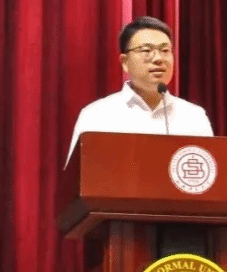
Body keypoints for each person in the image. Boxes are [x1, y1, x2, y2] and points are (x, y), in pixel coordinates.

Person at [66, 16, 213, 163]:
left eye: (165, 50)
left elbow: (209, 172)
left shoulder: (194, 116)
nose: (158, 58)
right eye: (146, 50)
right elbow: (80, 174)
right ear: (125, 62)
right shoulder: (97, 115)